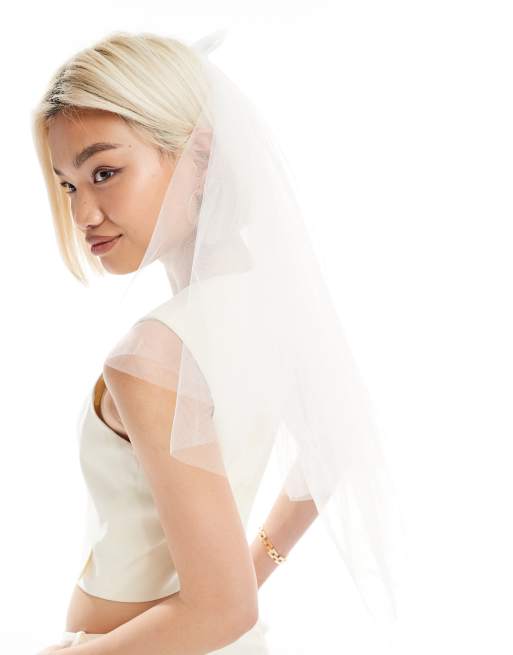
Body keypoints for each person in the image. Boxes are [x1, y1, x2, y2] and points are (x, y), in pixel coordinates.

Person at [32, 28, 406, 655]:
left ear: (200, 157)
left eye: (105, 172)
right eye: (69, 185)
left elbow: (222, 609)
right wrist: (248, 571)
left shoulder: (151, 354)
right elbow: (332, 446)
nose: (83, 214)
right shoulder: (271, 302)